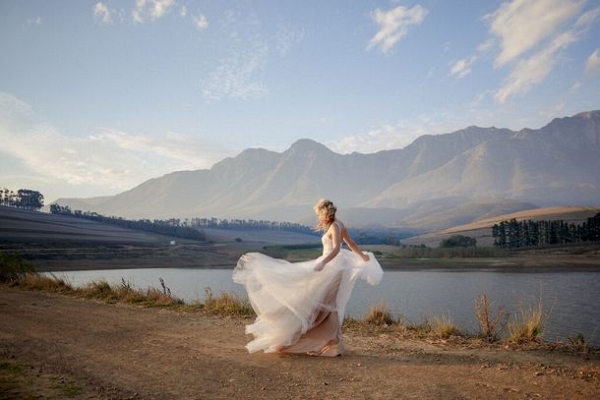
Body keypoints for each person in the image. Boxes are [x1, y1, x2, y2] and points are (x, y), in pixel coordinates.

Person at [233, 198, 383, 357]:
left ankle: (332, 343)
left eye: (319, 214)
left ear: (324, 212)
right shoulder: (340, 224)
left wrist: (324, 262)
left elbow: (338, 249)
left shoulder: (334, 227)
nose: (318, 217)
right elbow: (351, 243)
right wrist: (363, 257)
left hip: (331, 268)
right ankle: (332, 342)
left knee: (325, 305)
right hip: (332, 267)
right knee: (323, 304)